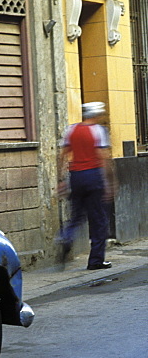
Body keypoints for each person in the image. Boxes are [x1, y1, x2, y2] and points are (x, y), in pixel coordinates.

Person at [56, 101, 115, 270]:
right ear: (96, 115)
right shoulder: (99, 131)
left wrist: (61, 180)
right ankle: (96, 260)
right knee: (99, 220)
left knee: (76, 215)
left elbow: (62, 156)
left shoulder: (71, 130)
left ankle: (66, 236)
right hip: (94, 176)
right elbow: (103, 157)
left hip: (76, 176)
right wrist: (111, 182)